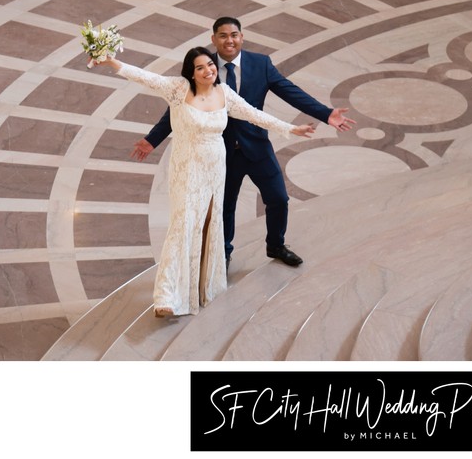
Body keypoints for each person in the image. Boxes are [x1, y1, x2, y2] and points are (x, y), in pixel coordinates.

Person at [94, 47, 316, 317]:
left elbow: (255, 115)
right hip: (187, 167)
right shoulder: (178, 89)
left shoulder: (225, 94)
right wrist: (112, 62)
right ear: (191, 72)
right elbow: (145, 77)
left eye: (210, 65)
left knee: (210, 223)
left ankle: (202, 287)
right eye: (200, 67)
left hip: (215, 167)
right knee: (183, 223)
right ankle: (165, 295)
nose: (208, 70)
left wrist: (291, 128)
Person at [132, 17, 355, 270]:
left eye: (234, 35)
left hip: (257, 146)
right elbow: (180, 107)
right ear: (213, 39)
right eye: (223, 36)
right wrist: (153, 140)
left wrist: (325, 114)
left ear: (242, 37)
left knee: (279, 199)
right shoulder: (205, 67)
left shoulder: (261, 64)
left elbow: (291, 91)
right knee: (225, 206)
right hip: (222, 152)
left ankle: (276, 244)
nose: (230, 40)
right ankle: (223, 254)